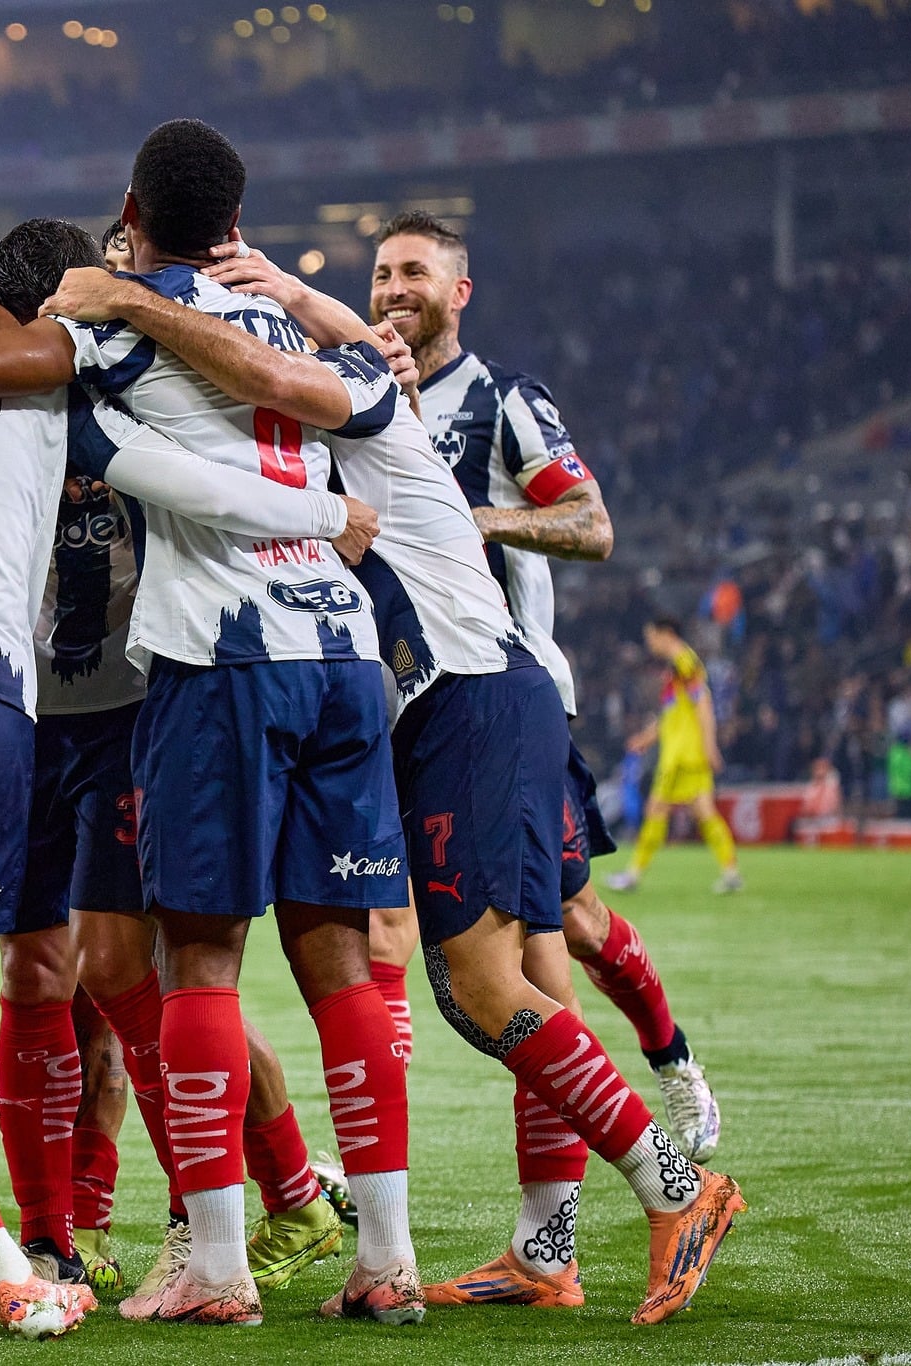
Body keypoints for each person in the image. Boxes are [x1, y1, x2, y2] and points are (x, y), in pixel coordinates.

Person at [0, 121, 418, 1329]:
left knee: (123, 972)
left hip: (122, 698)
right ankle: (58, 1231)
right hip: (36, 704)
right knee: (37, 979)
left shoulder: (91, 355)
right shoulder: (165, 345)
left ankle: (228, 1206)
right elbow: (358, 394)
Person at [41, 254, 748, 1326]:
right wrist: (277, 294)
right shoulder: (336, 409)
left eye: (410, 275)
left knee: (495, 973)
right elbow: (282, 371)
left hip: (473, 692)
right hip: (428, 711)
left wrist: (164, 305)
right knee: (486, 980)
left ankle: (673, 1181)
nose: (381, 303)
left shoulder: (356, 404)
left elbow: (273, 370)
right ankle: (543, 1246)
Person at [266, 211, 722, 1179]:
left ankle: (666, 1060)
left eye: (414, 273)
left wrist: (475, 516)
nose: (394, 289)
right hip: (406, 702)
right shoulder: (355, 395)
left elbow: (591, 523)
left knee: (564, 932)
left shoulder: (503, 399)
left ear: (456, 291)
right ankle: (417, 1176)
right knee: (393, 920)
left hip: (504, 693)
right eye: (381, 272)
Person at [610, 617, 744, 894]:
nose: (649, 642)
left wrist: (710, 745)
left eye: (651, 636)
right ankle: (730, 872)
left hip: (683, 754)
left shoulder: (684, 661)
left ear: (666, 633)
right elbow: (673, 713)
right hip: (684, 751)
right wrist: (646, 739)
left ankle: (633, 875)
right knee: (704, 812)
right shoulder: (677, 667)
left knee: (657, 810)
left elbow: (703, 703)